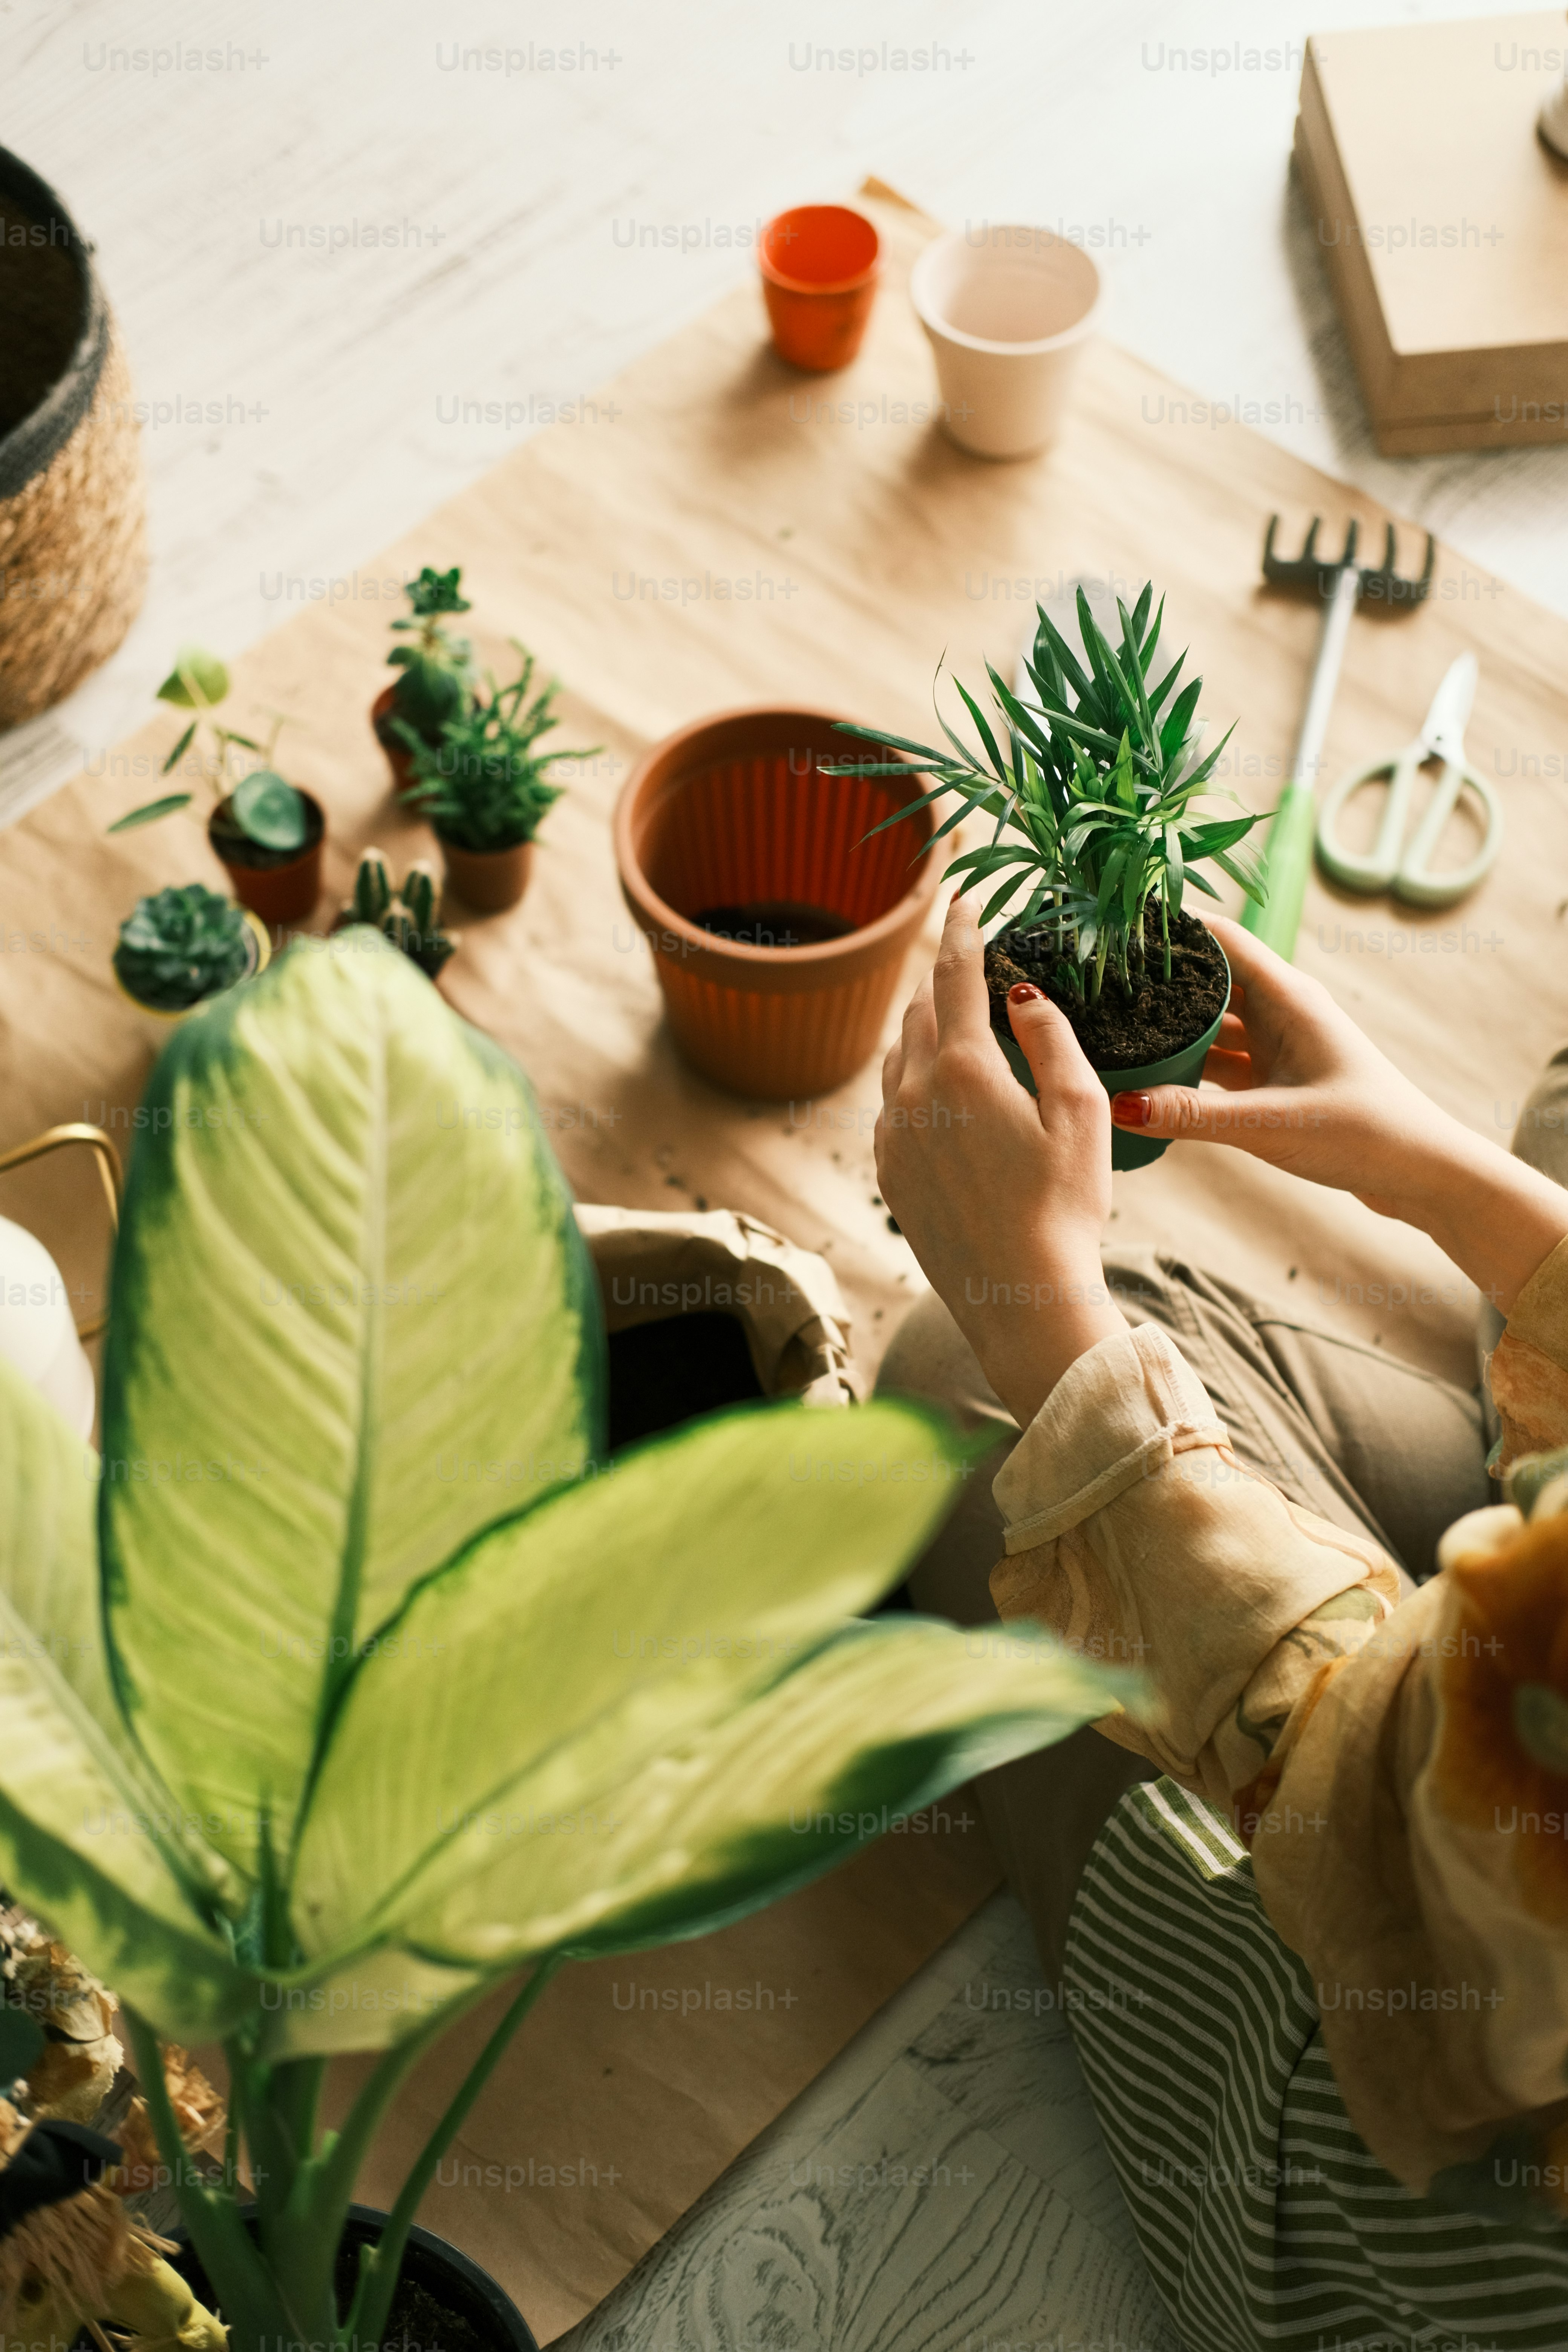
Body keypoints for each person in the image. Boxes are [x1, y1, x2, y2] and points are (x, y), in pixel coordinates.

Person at [873, 894, 1568, 2352]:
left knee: (967, 1387)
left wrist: (1055, 1344)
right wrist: (1436, 1171)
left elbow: (1384, 1838)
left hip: (1438, 2124)